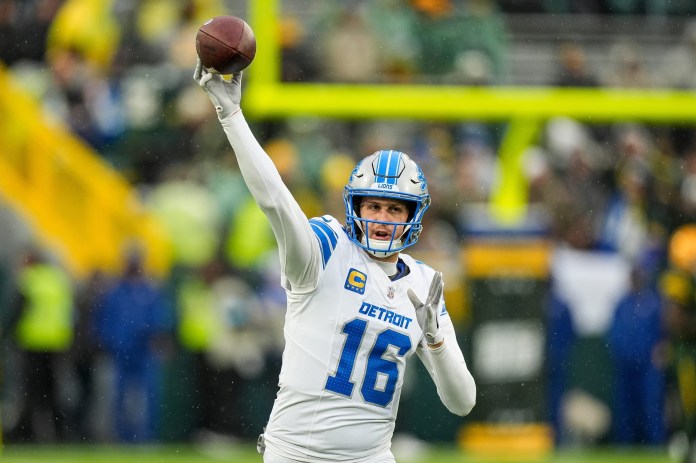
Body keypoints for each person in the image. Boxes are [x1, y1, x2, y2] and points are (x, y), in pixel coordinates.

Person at [193, 61, 476, 462]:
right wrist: (232, 115)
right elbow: (275, 200)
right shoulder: (326, 251)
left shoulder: (423, 285)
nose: (381, 218)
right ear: (354, 207)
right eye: (373, 206)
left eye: (395, 209)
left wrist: (436, 340)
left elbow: (462, 402)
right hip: (295, 455)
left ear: (414, 216)